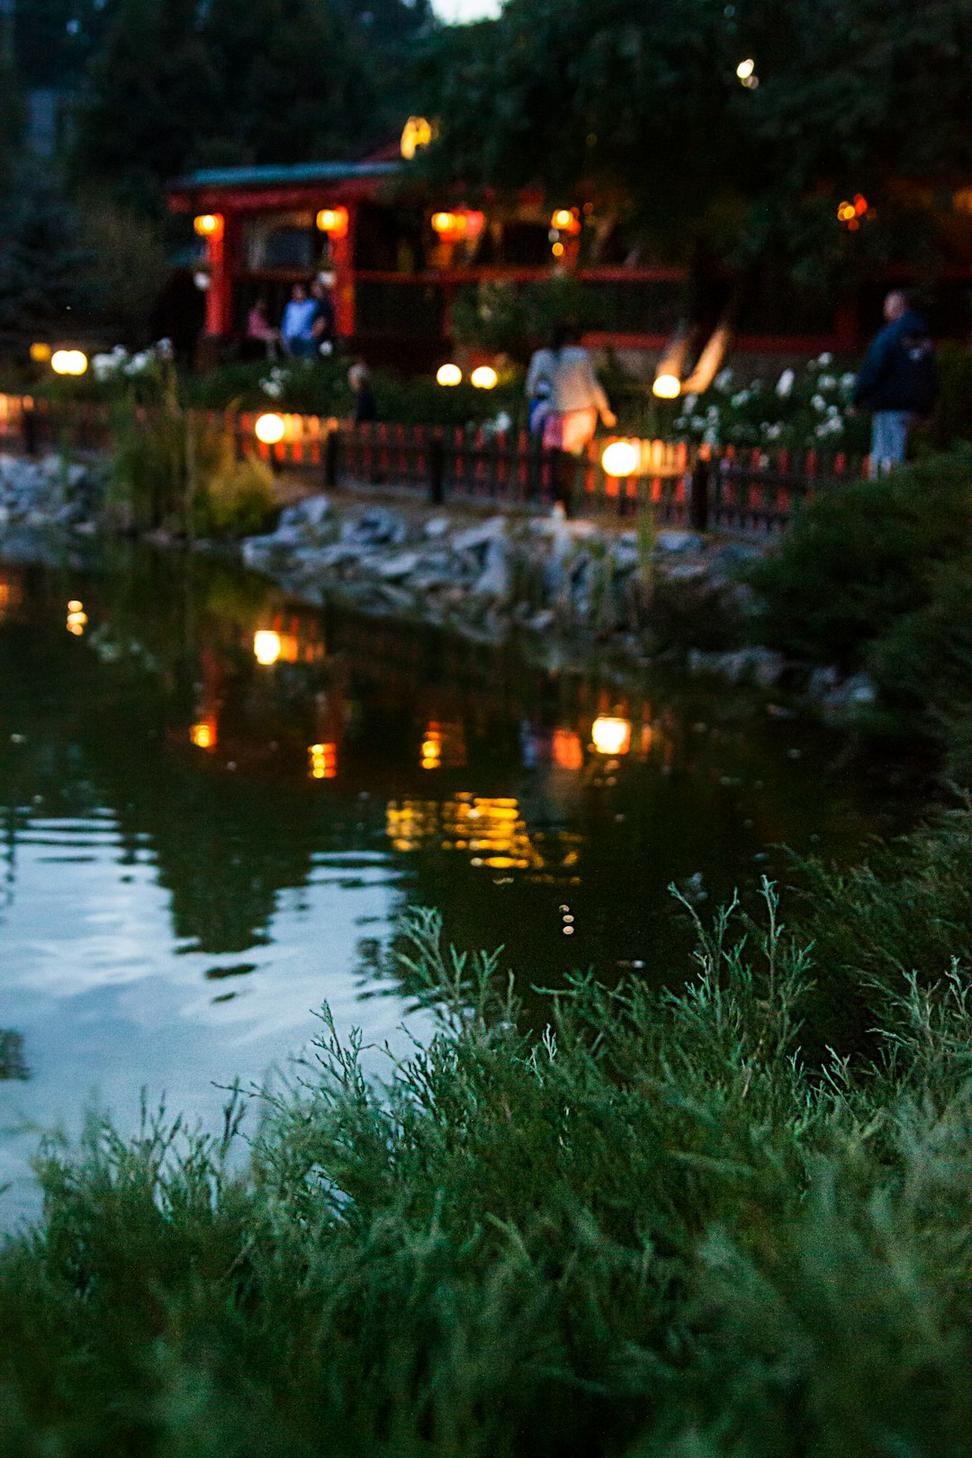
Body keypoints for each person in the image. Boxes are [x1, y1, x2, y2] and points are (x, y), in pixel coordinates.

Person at [853, 290, 936, 477]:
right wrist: (926, 407)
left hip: (889, 404)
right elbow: (929, 372)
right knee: (905, 455)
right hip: (916, 409)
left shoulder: (889, 336)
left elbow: (873, 367)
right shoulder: (923, 337)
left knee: (885, 457)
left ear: (894, 307)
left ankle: (883, 498)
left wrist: (858, 397)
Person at [525, 325, 616, 455]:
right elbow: (592, 385)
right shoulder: (580, 356)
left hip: (555, 415)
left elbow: (531, 388)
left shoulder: (541, 357)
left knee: (554, 458)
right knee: (579, 457)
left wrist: (545, 394)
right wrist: (604, 410)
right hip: (582, 414)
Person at [280, 282, 318, 359]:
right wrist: (283, 335)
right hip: (289, 339)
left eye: (299, 291)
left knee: (304, 360)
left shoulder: (312, 305)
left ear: (304, 292)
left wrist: (313, 333)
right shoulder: (290, 306)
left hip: (305, 339)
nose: (297, 293)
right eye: (295, 292)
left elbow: (319, 319)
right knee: (292, 361)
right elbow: (285, 321)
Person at [310, 278, 336, 356]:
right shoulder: (317, 302)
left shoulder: (324, 302)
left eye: (315, 286)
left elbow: (322, 322)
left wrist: (313, 335)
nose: (312, 289)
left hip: (324, 340)